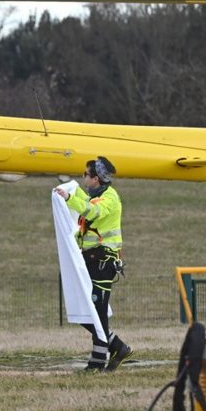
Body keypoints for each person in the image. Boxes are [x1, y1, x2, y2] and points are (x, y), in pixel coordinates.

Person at [54, 157, 134, 372]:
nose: (83, 178)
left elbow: (93, 212)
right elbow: (86, 203)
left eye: (85, 175)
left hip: (103, 261)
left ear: (95, 179)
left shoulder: (110, 198)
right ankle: (117, 347)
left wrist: (70, 197)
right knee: (88, 309)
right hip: (91, 260)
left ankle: (98, 361)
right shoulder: (95, 195)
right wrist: (68, 191)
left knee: (95, 310)